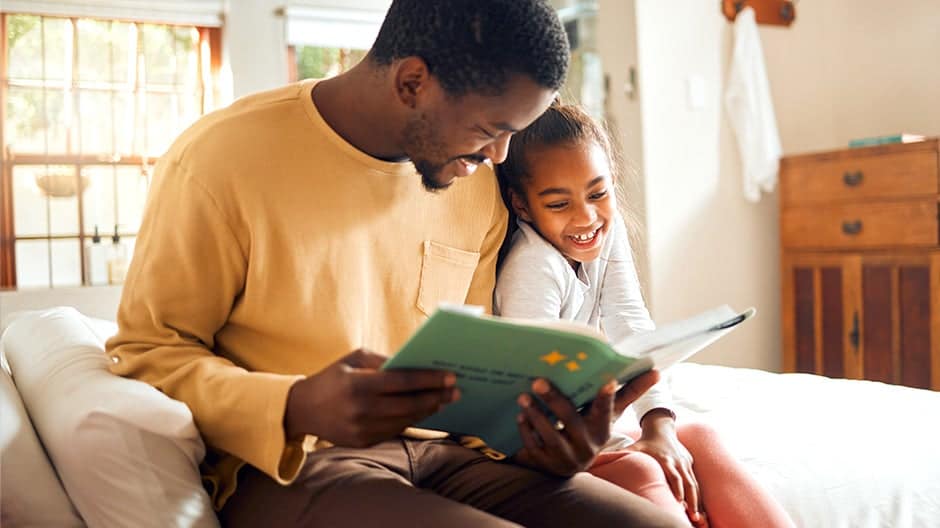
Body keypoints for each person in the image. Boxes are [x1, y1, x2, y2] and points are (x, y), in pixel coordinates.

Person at [106, 1, 686, 526]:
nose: (499, 157)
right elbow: (149, 351)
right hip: (296, 465)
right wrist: (294, 403)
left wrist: (542, 440)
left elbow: (480, 363)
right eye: (490, 130)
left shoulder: (474, 180)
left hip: (454, 454)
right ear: (413, 82)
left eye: (513, 134)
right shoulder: (220, 162)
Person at [494, 103, 796, 528]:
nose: (586, 217)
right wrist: (630, 448)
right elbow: (537, 398)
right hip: (554, 448)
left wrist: (659, 427)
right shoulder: (532, 266)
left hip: (601, 425)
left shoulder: (606, 228)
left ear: (613, 185)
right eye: (559, 204)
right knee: (642, 470)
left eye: (598, 194)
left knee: (701, 438)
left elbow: (630, 320)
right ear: (522, 206)